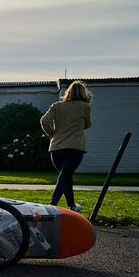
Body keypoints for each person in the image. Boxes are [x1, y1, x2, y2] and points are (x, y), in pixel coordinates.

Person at [40, 80, 92, 212]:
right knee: (65, 176)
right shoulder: (85, 107)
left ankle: (72, 206)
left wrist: (52, 135)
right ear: (83, 93)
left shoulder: (57, 106)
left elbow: (44, 121)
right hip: (75, 148)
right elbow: (87, 125)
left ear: (67, 92)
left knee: (65, 176)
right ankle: (52, 205)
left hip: (56, 148)